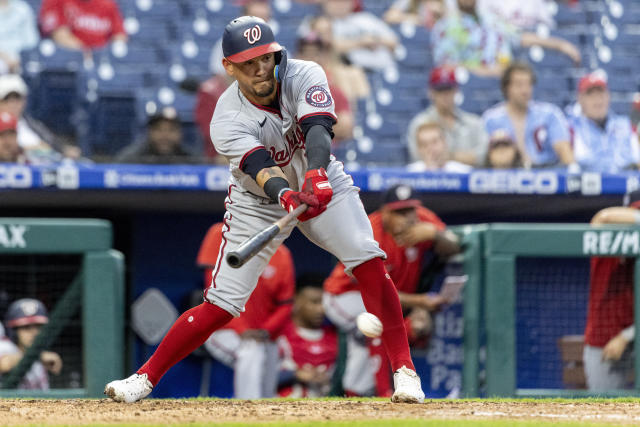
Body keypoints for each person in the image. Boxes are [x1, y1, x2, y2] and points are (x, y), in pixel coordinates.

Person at [105, 16, 425, 404]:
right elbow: (260, 167)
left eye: (265, 59)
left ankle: (405, 373)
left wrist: (318, 174)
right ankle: (144, 378)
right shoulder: (226, 117)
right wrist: (285, 196)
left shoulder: (304, 73)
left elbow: (319, 128)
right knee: (222, 302)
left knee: (368, 259)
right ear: (229, 67)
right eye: (247, 63)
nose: (259, 69)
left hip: (321, 178)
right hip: (258, 201)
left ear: (276, 55)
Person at [323, 184, 460, 396]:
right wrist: (420, 302)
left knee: (367, 345)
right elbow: (376, 291)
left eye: (410, 210)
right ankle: (385, 392)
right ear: (385, 212)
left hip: (386, 299)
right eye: (399, 212)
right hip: (344, 296)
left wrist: (435, 234)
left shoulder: (423, 219)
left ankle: (357, 396)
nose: (408, 218)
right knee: (376, 321)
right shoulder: (370, 231)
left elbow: (455, 245)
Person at [197, 222, 295, 398]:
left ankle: (264, 415)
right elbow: (215, 291)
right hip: (221, 329)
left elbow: (285, 305)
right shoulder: (220, 234)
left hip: (264, 335)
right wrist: (242, 329)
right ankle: (248, 408)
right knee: (251, 351)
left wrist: (266, 331)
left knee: (268, 386)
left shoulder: (281, 254)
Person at [582, 190, 640, 391]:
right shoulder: (605, 246)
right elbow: (602, 218)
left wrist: (626, 336)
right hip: (604, 339)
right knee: (604, 410)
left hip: (632, 335)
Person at [482, 62, 576, 169]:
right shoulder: (491, 119)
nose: (525, 90)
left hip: (547, 174)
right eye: (519, 85)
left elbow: (564, 151)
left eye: (528, 84)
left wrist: (572, 173)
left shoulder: (550, 114)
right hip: (506, 177)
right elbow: (484, 159)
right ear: (506, 88)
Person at [407, 66, 488, 166]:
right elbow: (417, 157)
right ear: (431, 92)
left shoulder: (473, 123)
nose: (445, 95)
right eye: (440, 90)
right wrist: (465, 157)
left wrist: (450, 156)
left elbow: (483, 156)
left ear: (456, 90)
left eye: (449, 89)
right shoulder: (420, 122)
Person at [277, 274, 338, 398]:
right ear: (297, 299)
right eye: (314, 302)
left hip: (328, 412)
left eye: (323, 303)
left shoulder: (337, 337)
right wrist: (295, 374)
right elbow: (258, 377)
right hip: (283, 411)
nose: (321, 309)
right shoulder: (279, 335)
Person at [570, 73, 639, 173]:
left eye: (601, 94)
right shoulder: (571, 126)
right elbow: (575, 163)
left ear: (608, 96)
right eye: (591, 95)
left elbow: (636, 160)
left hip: (627, 184)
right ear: (580, 99)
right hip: (588, 185)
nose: (597, 100)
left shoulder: (624, 124)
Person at [0, 74, 79, 161]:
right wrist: (29, 149)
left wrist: (64, 150)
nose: (13, 104)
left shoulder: (32, 124)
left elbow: (54, 144)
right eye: (7, 99)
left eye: (17, 98)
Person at [296, 33, 354, 145]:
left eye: (316, 54)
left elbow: (345, 126)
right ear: (298, 57)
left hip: (329, 155)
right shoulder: (286, 90)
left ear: (323, 57)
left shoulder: (333, 91)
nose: (311, 59)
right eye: (306, 54)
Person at [315, 0, 399, 73]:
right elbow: (331, 46)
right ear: (326, 4)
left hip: (383, 70)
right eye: (336, 1)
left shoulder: (366, 18)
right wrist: (361, 42)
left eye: (344, 1)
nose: (340, 5)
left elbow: (394, 41)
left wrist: (375, 40)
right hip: (351, 70)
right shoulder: (324, 23)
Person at [0, 298, 62, 390]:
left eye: (38, 327)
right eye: (26, 327)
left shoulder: (39, 355)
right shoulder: (6, 346)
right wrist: (38, 356)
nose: (34, 333)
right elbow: (5, 364)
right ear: (14, 331)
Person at [115, 107, 198, 164]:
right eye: (158, 129)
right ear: (149, 132)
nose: (165, 136)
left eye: (171, 130)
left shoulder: (191, 160)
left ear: (180, 133)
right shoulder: (131, 159)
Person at [39, 0, 127, 51]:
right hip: (68, 63)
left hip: (99, 59)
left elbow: (120, 35)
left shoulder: (108, 4)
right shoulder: (57, 1)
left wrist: (104, 55)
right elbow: (60, 35)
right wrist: (86, 54)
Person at [407, 121, 472, 173]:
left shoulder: (464, 172)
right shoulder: (409, 173)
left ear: (444, 143)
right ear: (419, 149)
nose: (430, 148)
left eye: (434, 142)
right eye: (424, 144)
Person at [0, 0, 39, 74]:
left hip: (22, 59)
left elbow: (32, 41)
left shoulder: (22, 8)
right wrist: (5, 58)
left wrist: (20, 59)